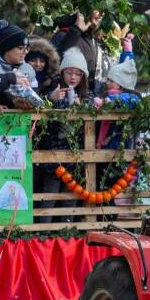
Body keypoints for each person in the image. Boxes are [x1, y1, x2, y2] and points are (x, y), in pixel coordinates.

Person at [36, 49, 91, 222]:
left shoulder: (86, 96)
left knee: (70, 196)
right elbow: (37, 106)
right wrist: (50, 99)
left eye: (78, 74)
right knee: (50, 195)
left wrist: (81, 108)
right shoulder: (52, 88)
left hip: (74, 155)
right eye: (69, 72)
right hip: (53, 154)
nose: (73, 77)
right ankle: (45, 233)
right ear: (62, 72)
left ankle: (66, 233)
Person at [0, 20, 36, 106]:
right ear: (7, 49)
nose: (25, 52)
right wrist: (10, 78)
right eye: (21, 48)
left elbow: (36, 92)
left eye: (27, 48)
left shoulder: (28, 68)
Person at [57, 10, 110, 93]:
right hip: (63, 97)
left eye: (103, 11)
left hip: (86, 98)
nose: (101, 15)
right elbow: (56, 60)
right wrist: (77, 30)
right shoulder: (65, 34)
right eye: (98, 9)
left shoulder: (93, 40)